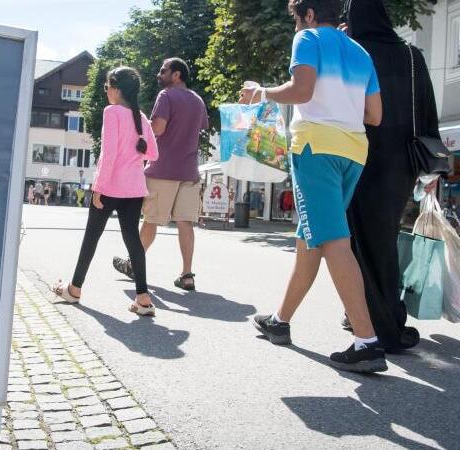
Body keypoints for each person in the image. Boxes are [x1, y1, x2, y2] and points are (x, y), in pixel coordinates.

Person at [243, 0, 387, 373]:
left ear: (307, 14)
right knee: (312, 237)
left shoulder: (307, 38)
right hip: (353, 151)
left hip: (315, 148)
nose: (295, 26)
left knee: (334, 240)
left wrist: (261, 93)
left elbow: (301, 90)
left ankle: (367, 341)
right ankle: (279, 321)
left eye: (296, 19)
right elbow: (375, 115)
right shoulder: (359, 51)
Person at [342, 0, 442, 351]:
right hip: (402, 164)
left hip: (359, 157)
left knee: (357, 242)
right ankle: (374, 313)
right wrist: (428, 168)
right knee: (382, 240)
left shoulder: (354, 53)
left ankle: (383, 325)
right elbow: (428, 111)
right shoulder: (412, 56)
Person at [53, 67, 159, 315]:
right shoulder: (141, 117)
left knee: (92, 236)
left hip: (110, 185)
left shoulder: (112, 113)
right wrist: (136, 150)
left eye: (107, 87)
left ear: (117, 89)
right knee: (132, 239)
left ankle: (74, 288)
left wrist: (98, 187)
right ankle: (143, 298)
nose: (106, 92)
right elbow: (153, 153)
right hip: (134, 188)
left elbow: (108, 153)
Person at [112, 57, 209, 291]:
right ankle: (187, 275)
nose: (159, 74)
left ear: (176, 75)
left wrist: (139, 131)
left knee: (152, 220)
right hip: (189, 172)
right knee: (185, 223)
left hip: (162, 169)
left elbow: (158, 128)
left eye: (163, 70)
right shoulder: (197, 101)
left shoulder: (166, 96)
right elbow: (201, 128)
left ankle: (133, 265)